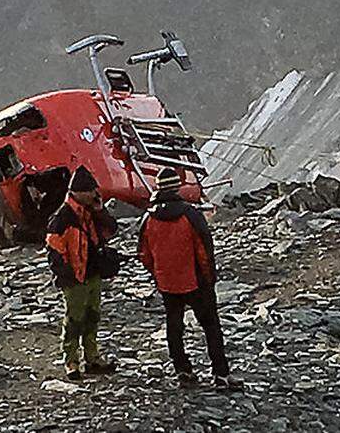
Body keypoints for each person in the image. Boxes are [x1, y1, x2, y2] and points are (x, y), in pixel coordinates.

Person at [138, 168, 241, 389]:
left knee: (174, 326)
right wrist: (209, 278)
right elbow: (203, 251)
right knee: (211, 326)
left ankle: (183, 371)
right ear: (177, 187)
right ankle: (221, 374)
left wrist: (158, 274)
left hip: (167, 283)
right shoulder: (190, 214)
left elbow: (144, 254)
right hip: (195, 281)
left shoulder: (148, 218)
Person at [45, 165, 118, 380]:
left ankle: (92, 357)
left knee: (92, 316)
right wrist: (65, 276)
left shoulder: (90, 212)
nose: (95, 195)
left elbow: (111, 230)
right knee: (74, 319)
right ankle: (71, 360)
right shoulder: (63, 218)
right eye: (91, 191)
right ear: (78, 192)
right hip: (75, 276)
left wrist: (100, 209)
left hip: (92, 272)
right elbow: (54, 251)